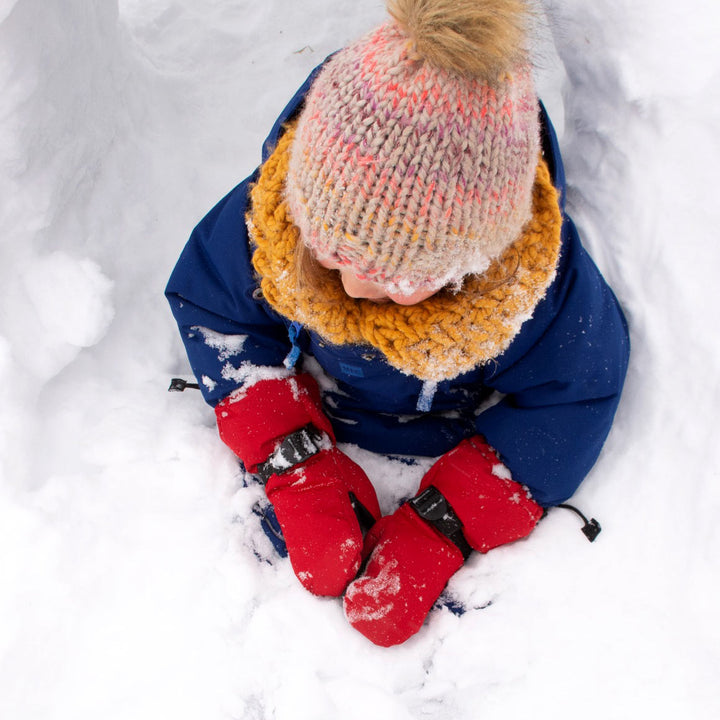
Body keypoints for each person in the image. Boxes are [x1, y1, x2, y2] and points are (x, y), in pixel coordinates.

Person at [166, 0, 629, 647]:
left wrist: (449, 519)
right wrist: (291, 453)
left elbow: (575, 393)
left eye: (395, 277)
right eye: (331, 254)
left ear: (473, 262)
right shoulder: (273, 222)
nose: (354, 285)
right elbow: (216, 306)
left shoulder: (530, 291)